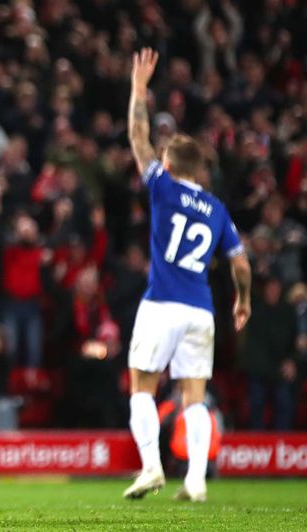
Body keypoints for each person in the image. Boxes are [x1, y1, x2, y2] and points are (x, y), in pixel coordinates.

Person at [122, 48, 251, 503]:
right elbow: (240, 261)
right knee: (195, 397)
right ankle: (196, 480)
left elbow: (138, 138)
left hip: (161, 303)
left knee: (142, 384)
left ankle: (153, 468)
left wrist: (139, 89)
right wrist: (244, 300)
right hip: (202, 310)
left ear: (172, 166)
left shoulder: (162, 184)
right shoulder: (217, 209)